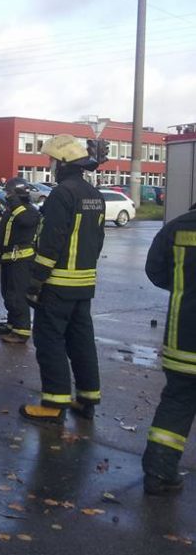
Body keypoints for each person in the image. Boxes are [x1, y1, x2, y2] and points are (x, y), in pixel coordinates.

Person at [19, 134, 105, 424]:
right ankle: (87, 398)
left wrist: (35, 281)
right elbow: (98, 240)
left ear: (64, 163)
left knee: (50, 340)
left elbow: (50, 241)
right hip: (84, 283)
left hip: (57, 284)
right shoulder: (94, 195)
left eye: (54, 161)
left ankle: (53, 403)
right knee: (81, 340)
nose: (51, 165)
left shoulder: (61, 194)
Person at [141, 201, 196, 496]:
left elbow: (155, 270)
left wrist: (184, 287)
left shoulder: (177, 227)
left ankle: (158, 473)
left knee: (177, 402)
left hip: (183, 337)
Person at [0, 177, 41, 344]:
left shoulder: (29, 211)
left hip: (21, 260)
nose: (6, 196)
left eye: (8, 193)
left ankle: (21, 331)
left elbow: (25, 220)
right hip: (9, 259)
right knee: (8, 294)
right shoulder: (12, 210)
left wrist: (14, 202)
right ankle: (12, 324)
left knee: (17, 295)